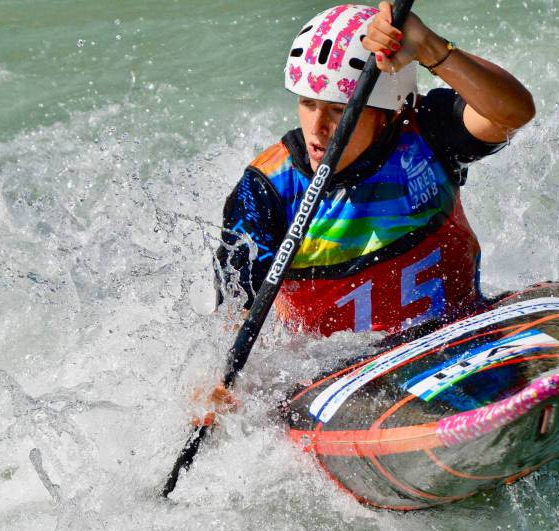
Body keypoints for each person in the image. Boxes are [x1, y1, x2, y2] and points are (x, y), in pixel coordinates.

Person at [194, 2, 535, 426]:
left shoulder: (427, 132)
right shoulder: (267, 191)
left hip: (459, 339)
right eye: (307, 103)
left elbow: (513, 112)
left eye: (338, 110)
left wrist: (431, 49)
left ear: (390, 110)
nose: (317, 128)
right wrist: (221, 389)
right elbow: (233, 317)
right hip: (343, 384)